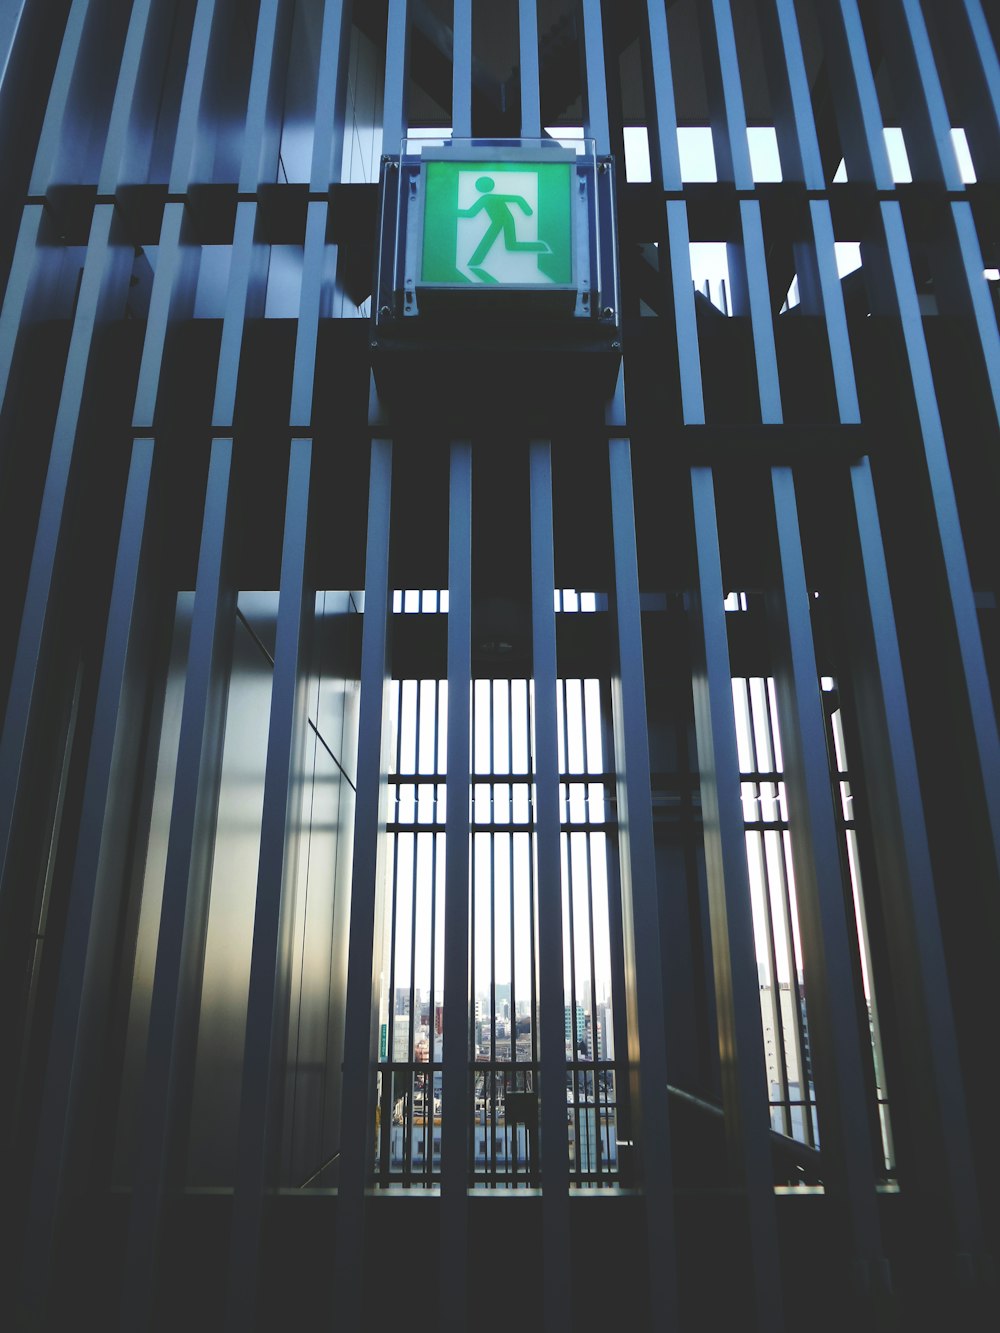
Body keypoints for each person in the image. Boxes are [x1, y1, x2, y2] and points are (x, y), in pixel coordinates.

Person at [458, 176, 549, 274]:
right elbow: (471, 213)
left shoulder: (487, 198)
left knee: (510, 245)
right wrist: (527, 210)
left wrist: (528, 211)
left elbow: (471, 213)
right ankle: (540, 247)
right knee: (511, 245)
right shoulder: (486, 198)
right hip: (498, 222)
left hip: (505, 220)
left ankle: (475, 261)